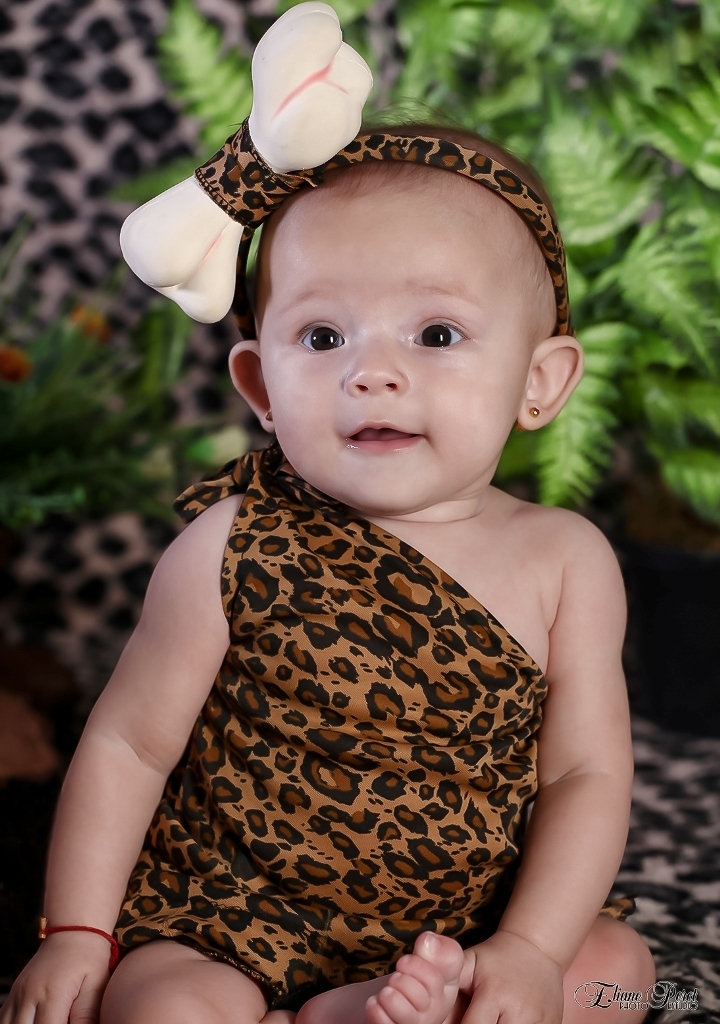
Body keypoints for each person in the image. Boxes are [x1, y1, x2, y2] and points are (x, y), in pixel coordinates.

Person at [1, 7, 656, 1024]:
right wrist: (77, 933)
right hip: (229, 913)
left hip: (468, 921)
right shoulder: (230, 544)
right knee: (162, 1005)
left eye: (436, 333)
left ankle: (381, 1004)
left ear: (540, 382)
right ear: (261, 387)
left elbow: (584, 772)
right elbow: (129, 745)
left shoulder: (566, 560)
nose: (373, 373)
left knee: (614, 973)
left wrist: (528, 948)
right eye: (322, 337)